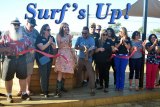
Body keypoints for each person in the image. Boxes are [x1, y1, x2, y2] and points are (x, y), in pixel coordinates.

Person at [1, 18, 31, 103]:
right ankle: (9, 95)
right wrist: (5, 48)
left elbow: (29, 45)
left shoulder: (23, 35)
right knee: (8, 78)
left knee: (23, 77)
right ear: (11, 25)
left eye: (18, 24)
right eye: (14, 24)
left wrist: (31, 49)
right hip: (9, 59)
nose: (16, 26)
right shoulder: (5, 35)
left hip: (21, 59)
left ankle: (24, 94)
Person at [17, 18, 39, 96]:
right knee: (21, 73)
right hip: (20, 56)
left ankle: (27, 89)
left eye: (34, 26)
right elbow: (15, 41)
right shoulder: (20, 30)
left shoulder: (36, 32)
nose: (32, 27)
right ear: (26, 23)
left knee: (28, 73)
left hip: (31, 57)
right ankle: (21, 90)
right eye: (31, 25)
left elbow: (38, 42)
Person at [35, 24, 56, 98]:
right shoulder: (39, 37)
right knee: (44, 75)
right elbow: (42, 48)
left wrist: (52, 43)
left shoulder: (52, 37)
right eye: (48, 30)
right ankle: (45, 91)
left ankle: (46, 89)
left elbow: (54, 47)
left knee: (47, 74)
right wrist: (49, 42)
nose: (49, 31)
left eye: (50, 30)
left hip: (50, 58)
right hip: (42, 59)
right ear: (43, 30)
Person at [54, 22, 75, 97]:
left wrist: (70, 40)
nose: (66, 28)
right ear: (61, 28)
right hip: (61, 55)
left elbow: (70, 45)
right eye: (64, 27)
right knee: (60, 71)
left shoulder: (69, 36)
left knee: (65, 71)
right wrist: (66, 41)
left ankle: (62, 87)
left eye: (67, 27)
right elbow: (59, 46)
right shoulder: (58, 35)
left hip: (68, 55)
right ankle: (57, 90)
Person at [75, 26, 95, 96]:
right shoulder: (79, 38)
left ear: (88, 33)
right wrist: (82, 48)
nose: (84, 34)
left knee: (90, 73)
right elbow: (75, 46)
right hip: (80, 58)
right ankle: (78, 84)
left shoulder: (91, 39)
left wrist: (88, 56)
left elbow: (93, 50)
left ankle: (92, 88)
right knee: (78, 71)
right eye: (82, 33)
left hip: (88, 59)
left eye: (85, 33)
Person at [114, 27, 131, 91]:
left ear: (124, 32)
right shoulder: (117, 38)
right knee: (117, 71)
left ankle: (121, 86)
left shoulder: (128, 38)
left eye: (121, 31)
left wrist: (124, 43)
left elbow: (129, 48)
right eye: (119, 31)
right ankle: (117, 86)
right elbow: (115, 47)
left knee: (122, 71)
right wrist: (120, 42)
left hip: (124, 57)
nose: (120, 32)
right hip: (117, 56)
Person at [89, 23, 100, 87]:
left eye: (94, 27)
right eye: (91, 27)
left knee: (96, 66)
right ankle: (91, 79)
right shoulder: (88, 35)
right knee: (90, 67)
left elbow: (98, 43)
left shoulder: (97, 35)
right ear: (90, 28)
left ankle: (97, 78)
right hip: (90, 53)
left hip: (96, 53)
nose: (93, 28)